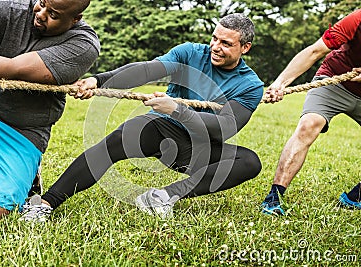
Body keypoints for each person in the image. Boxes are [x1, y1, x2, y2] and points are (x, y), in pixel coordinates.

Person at [20, 13, 264, 222]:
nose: (215, 47)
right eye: (214, 38)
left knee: (249, 161)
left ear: (245, 47)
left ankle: (161, 197)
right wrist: (100, 80)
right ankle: (45, 203)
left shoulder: (250, 85)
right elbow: (147, 70)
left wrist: (178, 110)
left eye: (226, 43)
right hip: (161, 127)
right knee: (111, 145)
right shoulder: (190, 53)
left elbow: (225, 128)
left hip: (197, 144)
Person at [0, 0, 100, 218]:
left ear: (75, 19)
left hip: (23, 126)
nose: (41, 13)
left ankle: (28, 174)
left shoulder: (83, 44)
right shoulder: (7, 8)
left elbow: (14, 68)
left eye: (53, 14)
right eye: (41, 2)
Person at [261, 9, 361, 215]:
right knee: (309, 124)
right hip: (335, 80)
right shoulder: (357, 20)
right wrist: (280, 83)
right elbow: (314, 51)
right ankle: (275, 196)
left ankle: (356, 197)